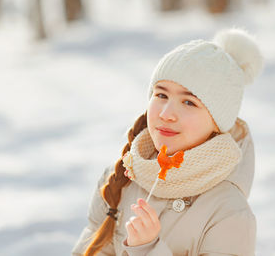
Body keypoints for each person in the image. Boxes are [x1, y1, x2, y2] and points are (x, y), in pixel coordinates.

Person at [72, 27, 264, 256]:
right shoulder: (120, 179)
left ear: (218, 122)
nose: (166, 113)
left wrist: (148, 249)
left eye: (189, 103)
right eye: (161, 95)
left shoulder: (229, 211)